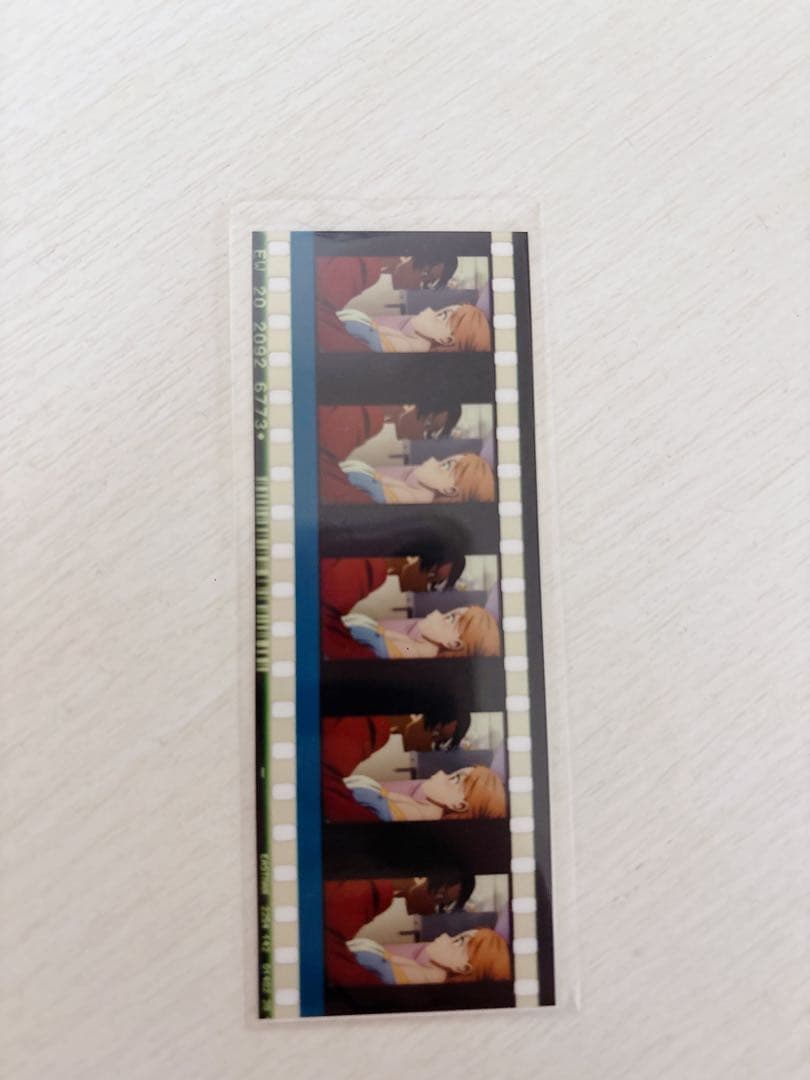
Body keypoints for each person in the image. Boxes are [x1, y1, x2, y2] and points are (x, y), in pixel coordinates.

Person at [324, 877, 485, 989]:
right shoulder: (366, 891)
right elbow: (325, 948)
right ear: (421, 878)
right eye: (439, 897)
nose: (431, 911)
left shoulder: (378, 893)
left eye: (442, 905)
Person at [321, 713, 472, 822]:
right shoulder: (368, 725)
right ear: (417, 716)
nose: (427, 748)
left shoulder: (377, 728)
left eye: (437, 745)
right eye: (435, 734)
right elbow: (321, 779)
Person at [318, 400, 463, 504]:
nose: (419, 437)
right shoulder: (363, 413)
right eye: (427, 424)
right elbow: (320, 467)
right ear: (410, 404)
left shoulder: (372, 417)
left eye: (429, 433)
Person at [317, 249, 459, 352]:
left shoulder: (370, 266)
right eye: (425, 274)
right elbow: (318, 314)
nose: (417, 287)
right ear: (407, 256)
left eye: (427, 284)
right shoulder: (363, 263)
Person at [344, 928, 511, 987]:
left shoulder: (404, 977)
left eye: (459, 941)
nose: (445, 936)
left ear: (462, 968)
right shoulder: (418, 970)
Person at [342, 764, 506, 823]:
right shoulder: (418, 807)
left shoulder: (409, 814)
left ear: (458, 805)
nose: (441, 772)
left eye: (455, 778)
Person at [333, 605, 501, 661]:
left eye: (449, 618)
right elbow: (400, 641)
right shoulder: (414, 648)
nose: (437, 612)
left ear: (453, 644)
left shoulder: (397, 652)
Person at [339, 453, 495, 505]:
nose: (433, 459)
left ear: (449, 490)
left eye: (445, 465)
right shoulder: (415, 492)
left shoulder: (416, 498)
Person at [336, 303, 491, 354]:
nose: (430, 310)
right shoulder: (405, 340)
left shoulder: (401, 347)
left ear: (445, 340)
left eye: (442, 315)